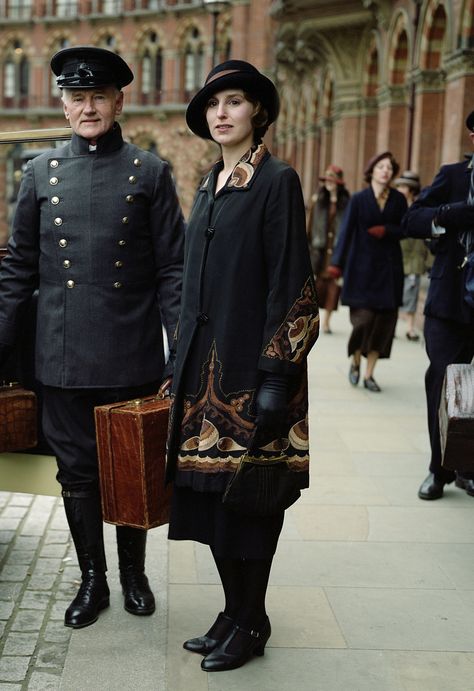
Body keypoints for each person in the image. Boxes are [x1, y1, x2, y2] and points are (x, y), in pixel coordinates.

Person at [0, 46, 185, 627]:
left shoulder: (149, 171)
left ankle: (134, 574)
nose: (87, 107)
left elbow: (172, 269)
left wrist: (178, 346)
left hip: (129, 351)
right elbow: (17, 268)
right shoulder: (39, 173)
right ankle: (93, 581)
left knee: (132, 465)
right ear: (63, 103)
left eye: (97, 97)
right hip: (61, 355)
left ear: (118, 101)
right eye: (76, 98)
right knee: (75, 473)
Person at [165, 60, 319, 673]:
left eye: (233, 101)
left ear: (256, 111)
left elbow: (293, 282)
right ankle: (234, 613)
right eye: (212, 105)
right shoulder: (208, 184)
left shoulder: (276, 180)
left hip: (253, 380)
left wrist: (277, 376)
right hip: (201, 377)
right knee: (211, 504)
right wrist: (175, 366)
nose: (221, 113)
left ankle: (251, 621)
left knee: (251, 502)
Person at [403, 112, 474, 500]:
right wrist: (451, 214)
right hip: (449, 302)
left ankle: (468, 466)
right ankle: (439, 468)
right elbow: (410, 219)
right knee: (442, 384)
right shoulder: (454, 176)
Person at [328, 151, 407, 392]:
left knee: (383, 325)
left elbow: (405, 228)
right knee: (363, 321)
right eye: (381, 167)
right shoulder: (359, 199)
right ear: (371, 171)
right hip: (361, 269)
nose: (386, 171)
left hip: (389, 270)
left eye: (389, 168)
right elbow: (346, 232)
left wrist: (388, 230)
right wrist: (336, 263)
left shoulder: (398, 200)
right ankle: (355, 359)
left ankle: (370, 374)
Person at [306, 164, 350, 334]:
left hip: (337, 250)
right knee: (317, 287)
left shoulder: (346, 203)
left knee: (333, 288)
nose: (329, 184)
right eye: (327, 180)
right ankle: (313, 320)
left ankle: (326, 322)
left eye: (333, 181)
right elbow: (309, 226)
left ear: (339, 183)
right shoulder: (317, 200)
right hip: (320, 250)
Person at [394, 171, 430, 341]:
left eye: (404, 186)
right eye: (400, 185)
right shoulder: (395, 205)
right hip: (397, 254)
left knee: (412, 292)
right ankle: (392, 326)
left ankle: (410, 327)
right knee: (394, 292)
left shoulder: (418, 207)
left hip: (415, 257)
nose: (401, 189)